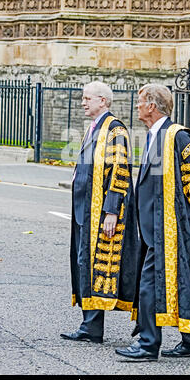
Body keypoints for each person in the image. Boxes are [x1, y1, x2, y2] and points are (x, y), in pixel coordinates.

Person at [115, 83, 190, 360]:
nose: (136, 106)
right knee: (178, 282)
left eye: (139, 101)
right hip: (152, 227)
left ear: (152, 105)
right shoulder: (153, 136)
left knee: (151, 284)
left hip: (169, 228)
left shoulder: (176, 136)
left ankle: (148, 345)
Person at [60, 81, 138, 344]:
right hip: (84, 209)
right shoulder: (94, 127)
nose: (83, 102)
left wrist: (112, 211)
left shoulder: (115, 129)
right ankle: (90, 326)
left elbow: (120, 171)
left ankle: (93, 326)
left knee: (94, 264)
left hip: (99, 211)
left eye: (87, 98)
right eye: (83, 98)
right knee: (84, 263)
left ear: (103, 101)